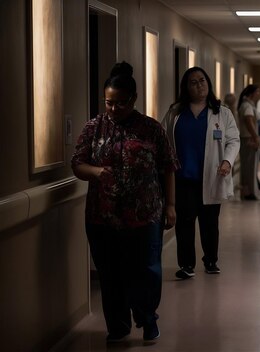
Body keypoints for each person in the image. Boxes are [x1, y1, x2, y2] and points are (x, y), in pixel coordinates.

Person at [71, 61, 178, 342]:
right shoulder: (93, 128)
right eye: (109, 102)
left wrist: (170, 206)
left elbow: (168, 166)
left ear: (133, 99)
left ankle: (146, 317)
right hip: (102, 216)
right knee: (110, 274)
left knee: (146, 271)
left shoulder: (151, 129)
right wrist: (96, 172)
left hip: (144, 215)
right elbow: (77, 164)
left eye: (120, 103)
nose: (114, 109)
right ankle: (118, 327)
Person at [161, 67, 240, 279]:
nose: (199, 85)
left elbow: (233, 140)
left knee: (209, 223)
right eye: (193, 82)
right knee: (184, 224)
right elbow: (164, 142)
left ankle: (211, 260)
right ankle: (186, 265)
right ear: (186, 87)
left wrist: (227, 160)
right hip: (183, 178)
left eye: (202, 81)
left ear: (209, 83)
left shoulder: (222, 112)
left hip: (211, 177)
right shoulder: (175, 113)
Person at [238, 84, 260, 200]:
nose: (259, 94)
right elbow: (249, 121)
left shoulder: (247, 104)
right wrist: (255, 137)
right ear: (252, 93)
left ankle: (248, 191)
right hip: (249, 139)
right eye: (257, 92)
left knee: (248, 167)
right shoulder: (247, 106)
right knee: (250, 167)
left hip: (247, 138)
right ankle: (250, 192)